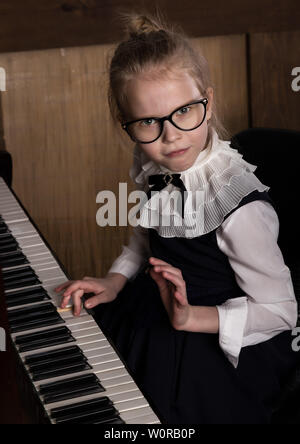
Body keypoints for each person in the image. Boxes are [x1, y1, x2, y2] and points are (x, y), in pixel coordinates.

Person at [55, 12, 300, 424]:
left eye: (185, 111)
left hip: (219, 339)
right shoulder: (155, 160)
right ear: (127, 125)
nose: (171, 136)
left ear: (208, 99)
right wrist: (115, 280)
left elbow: (281, 312)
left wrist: (190, 318)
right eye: (149, 121)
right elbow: (147, 232)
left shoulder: (240, 209)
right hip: (156, 307)